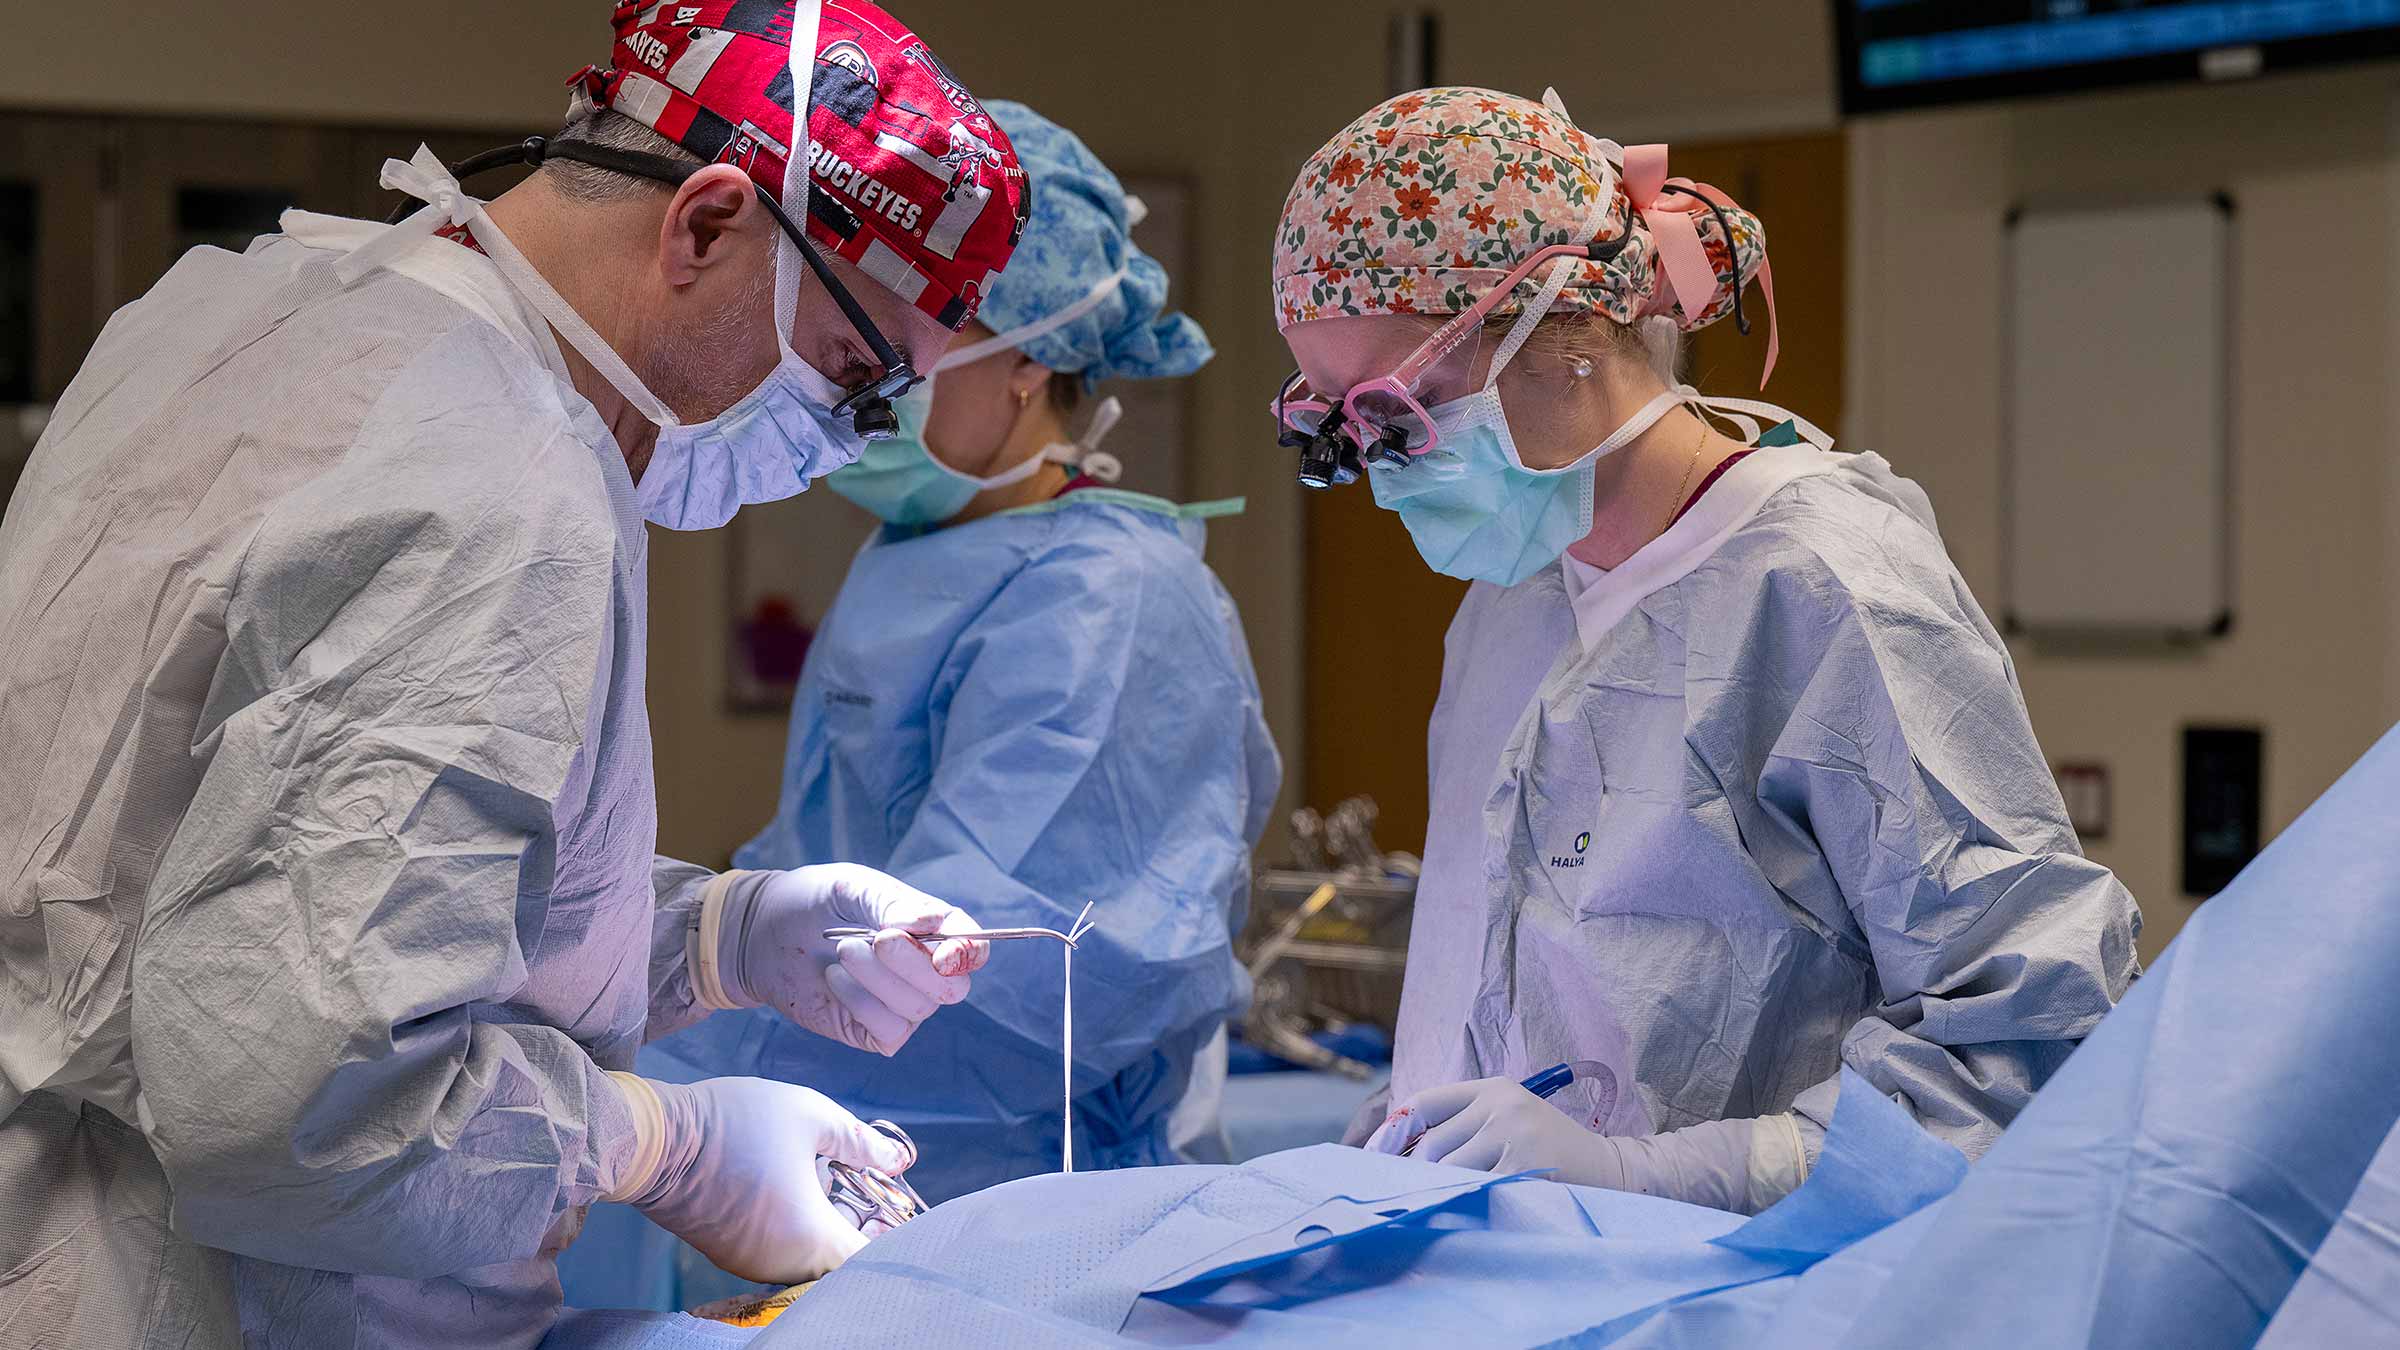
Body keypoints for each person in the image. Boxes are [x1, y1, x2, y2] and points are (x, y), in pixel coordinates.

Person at [0, 5, 1031, 1347]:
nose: (845, 440)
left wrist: (714, 935)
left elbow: (253, 882)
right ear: (706, 224)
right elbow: (316, 1105)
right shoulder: (502, 480)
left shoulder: (225, 318)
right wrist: (664, 1140)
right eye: (855, 373)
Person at [1269, 87, 2140, 1213]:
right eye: (1336, 423)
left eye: (1405, 406)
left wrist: (1653, 1174)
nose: (1382, 467)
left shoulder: (1823, 585)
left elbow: (2026, 1047)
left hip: (1735, 1294)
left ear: (1565, 330)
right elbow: (1496, 992)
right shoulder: (1515, 590)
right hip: (1506, 1277)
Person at [643, 99, 1280, 1210]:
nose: (868, 366)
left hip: (1012, 1186)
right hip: (852, 1132)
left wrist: (707, 1061)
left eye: (913, 334)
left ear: (1028, 358)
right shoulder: (917, 549)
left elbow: (1000, 965)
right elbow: (830, 854)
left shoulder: (1105, 598)